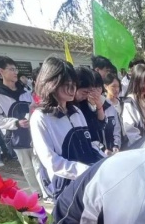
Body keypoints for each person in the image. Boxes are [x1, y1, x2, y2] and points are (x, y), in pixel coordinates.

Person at [30, 57, 104, 200]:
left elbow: (89, 145)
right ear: (51, 84)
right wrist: (86, 170)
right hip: (65, 187)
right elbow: (52, 162)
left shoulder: (76, 112)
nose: (72, 89)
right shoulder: (41, 117)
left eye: (74, 84)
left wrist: (105, 160)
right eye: (66, 85)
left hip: (88, 180)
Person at [0, 55, 44, 196]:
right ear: (1, 71)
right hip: (16, 134)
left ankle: (45, 190)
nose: (15, 72)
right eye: (11, 69)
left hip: (32, 131)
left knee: (39, 162)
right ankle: (36, 191)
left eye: (16, 69)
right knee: (27, 165)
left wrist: (34, 109)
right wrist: (15, 123)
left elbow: (31, 107)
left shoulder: (24, 90)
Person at [74, 67, 108, 153]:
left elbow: (100, 125)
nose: (87, 95)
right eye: (84, 92)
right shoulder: (70, 107)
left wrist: (99, 106)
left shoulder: (85, 104)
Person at [102, 73, 123, 153]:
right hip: (110, 147)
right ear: (105, 86)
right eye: (113, 86)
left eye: (118, 86)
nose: (116, 89)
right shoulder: (103, 106)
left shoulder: (123, 103)